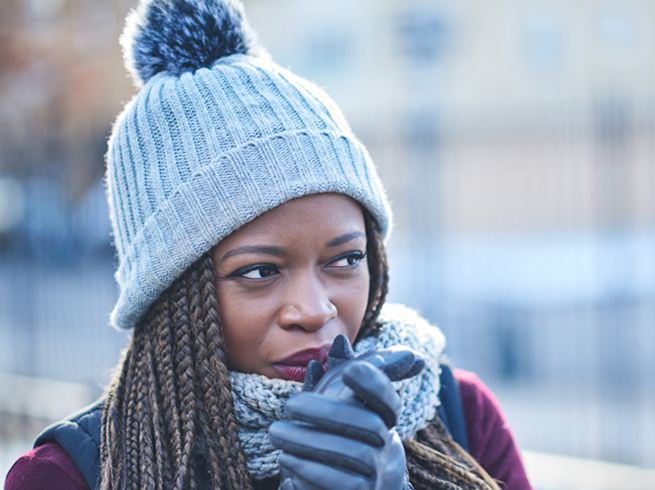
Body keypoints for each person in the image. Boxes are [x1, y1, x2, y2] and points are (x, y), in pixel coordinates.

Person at [4, 0, 532, 489]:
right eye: (259, 271)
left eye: (346, 260)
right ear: (170, 293)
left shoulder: (459, 415)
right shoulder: (72, 475)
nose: (314, 309)